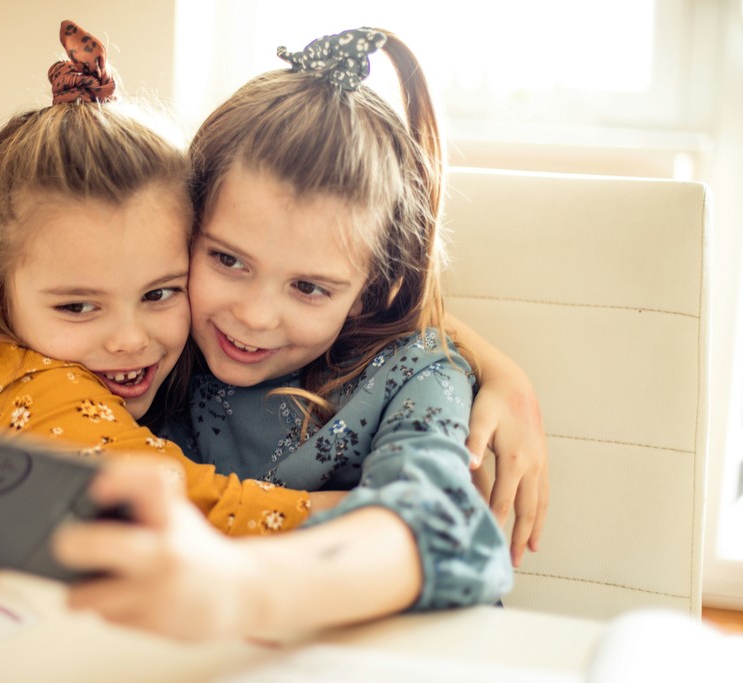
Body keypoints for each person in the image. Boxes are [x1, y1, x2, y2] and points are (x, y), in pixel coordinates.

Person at [0, 20, 329, 622]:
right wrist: (401, 523)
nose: (130, 339)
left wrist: (462, 347)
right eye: (77, 306)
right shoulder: (9, 373)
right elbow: (194, 511)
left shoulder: (148, 357)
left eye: (160, 293)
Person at [55, 26, 518, 640]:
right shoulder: (156, 347)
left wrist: (243, 586)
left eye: (308, 288)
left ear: (370, 291)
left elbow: (437, 521)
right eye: (228, 261)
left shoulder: (418, 375)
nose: (254, 316)